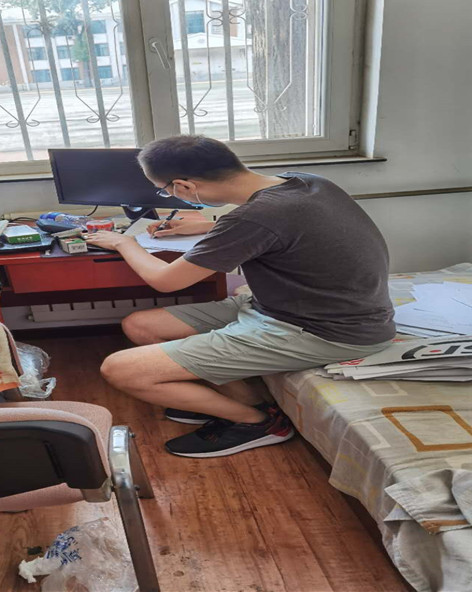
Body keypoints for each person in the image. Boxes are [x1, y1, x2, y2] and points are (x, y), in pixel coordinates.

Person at [84, 135, 395, 458]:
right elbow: (283, 225)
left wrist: (124, 243)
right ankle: (250, 402)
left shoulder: (253, 217)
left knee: (119, 370)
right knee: (140, 325)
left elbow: (165, 281)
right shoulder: (306, 183)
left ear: (184, 187)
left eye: (165, 190)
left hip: (326, 330)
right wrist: (208, 227)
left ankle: (259, 423)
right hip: (287, 305)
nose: (169, 195)